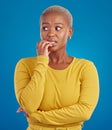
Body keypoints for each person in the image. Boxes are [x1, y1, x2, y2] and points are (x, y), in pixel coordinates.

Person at [14, 5, 99, 130]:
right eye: (45, 28)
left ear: (69, 32)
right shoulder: (24, 65)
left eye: (58, 28)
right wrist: (42, 61)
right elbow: (29, 106)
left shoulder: (85, 68)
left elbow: (84, 112)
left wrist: (37, 117)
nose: (51, 33)